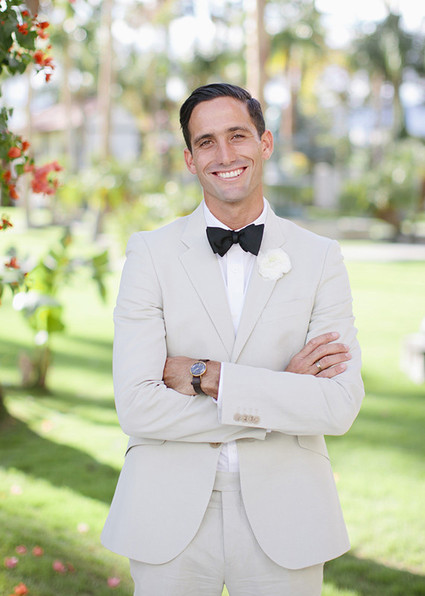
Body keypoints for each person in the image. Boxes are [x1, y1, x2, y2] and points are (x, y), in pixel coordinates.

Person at [101, 83, 364, 596]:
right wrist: (279, 395)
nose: (224, 155)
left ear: (265, 143)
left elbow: (338, 406)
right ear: (189, 159)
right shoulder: (150, 255)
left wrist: (208, 376)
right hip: (165, 515)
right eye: (206, 142)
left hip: (289, 515)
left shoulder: (320, 258)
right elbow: (136, 407)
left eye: (238, 135)